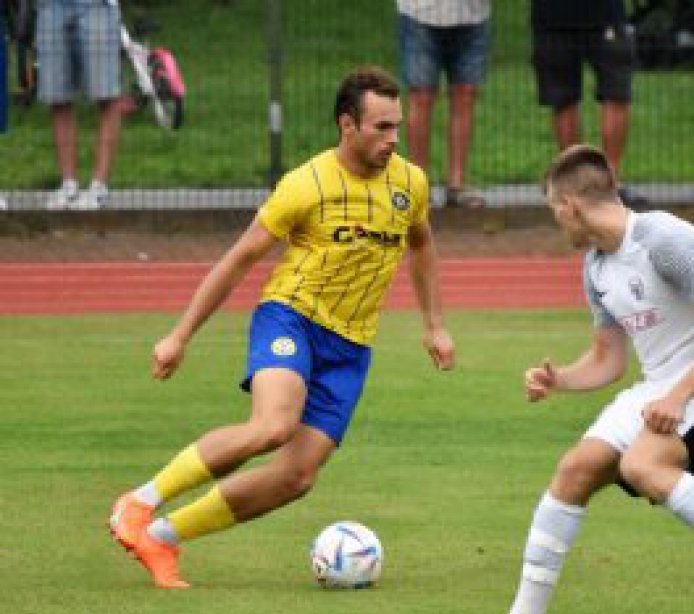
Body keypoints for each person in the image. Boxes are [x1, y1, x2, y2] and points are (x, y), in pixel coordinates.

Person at [108, 66, 456, 589]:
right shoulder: (305, 185)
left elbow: (422, 244)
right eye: (381, 127)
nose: (394, 139)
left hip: (352, 347)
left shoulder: (410, 184)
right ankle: (139, 502)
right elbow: (239, 259)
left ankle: (160, 536)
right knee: (272, 426)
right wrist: (180, 335)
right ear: (347, 125)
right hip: (291, 317)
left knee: (297, 476)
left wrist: (435, 325)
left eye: (397, 127)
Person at [507, 145, 694, 614]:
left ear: (571, 205)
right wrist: (558, 379)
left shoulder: (663, 240)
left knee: (642, 466)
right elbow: (608, 359)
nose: (555, 222)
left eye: (553, 210)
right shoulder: (596, 266)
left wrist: (679, 397)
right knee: (575, 470)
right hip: (660, 388)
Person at [530, 0, 646, 206]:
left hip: (560, 16)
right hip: (579, 17)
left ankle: (588, 182)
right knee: (605, 96)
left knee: (572, 100)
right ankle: (598, 181)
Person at [396, 0, 490, 208]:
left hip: (473, 15)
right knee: (421, 97)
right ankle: (419, 186)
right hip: (421, 13)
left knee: (465, 94)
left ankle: (457, 185)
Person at [36, 0, 124, 210]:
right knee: (57, 97)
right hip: (50, 6)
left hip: (98, 6)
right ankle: (68, 185)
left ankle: (99, 187)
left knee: (107, 95)